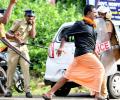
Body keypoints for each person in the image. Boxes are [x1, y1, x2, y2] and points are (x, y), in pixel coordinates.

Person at [42, 5, 105, 100]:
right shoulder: (80, 24)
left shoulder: (92, 27)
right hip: (84, 53)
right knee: (100, 69)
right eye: (94, 12)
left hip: (81, 56)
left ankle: (49, 94)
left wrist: (96, 54)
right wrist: (61, 47)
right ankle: (97, 94)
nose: (96, 14)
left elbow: (92, 45)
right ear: (88, 13)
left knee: (66, 76)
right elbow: (65, 34)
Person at [4, 10, 36, 98]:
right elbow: (7, 34)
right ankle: (8, 90)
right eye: (29, 16)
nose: (31, 18)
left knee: (26, 69)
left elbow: (33, 36)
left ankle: (27, 91)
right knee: (11, 70)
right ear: (25, 16)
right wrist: (15, 38)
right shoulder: (18, 22)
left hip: (24, 48)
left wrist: (33, 24)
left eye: (32, 16)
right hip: (14, 47)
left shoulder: (31, 24)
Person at [95, 5, 115, 100]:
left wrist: (99, 49)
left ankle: (103, 94)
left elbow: (107, 39)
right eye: (99, 14)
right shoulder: (102, 23)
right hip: (103, 50)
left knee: (102, 71)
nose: (100, 15)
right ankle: (103, 93)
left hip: (107, 50)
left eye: (101, 14)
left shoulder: (107, 23)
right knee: (102, 72)